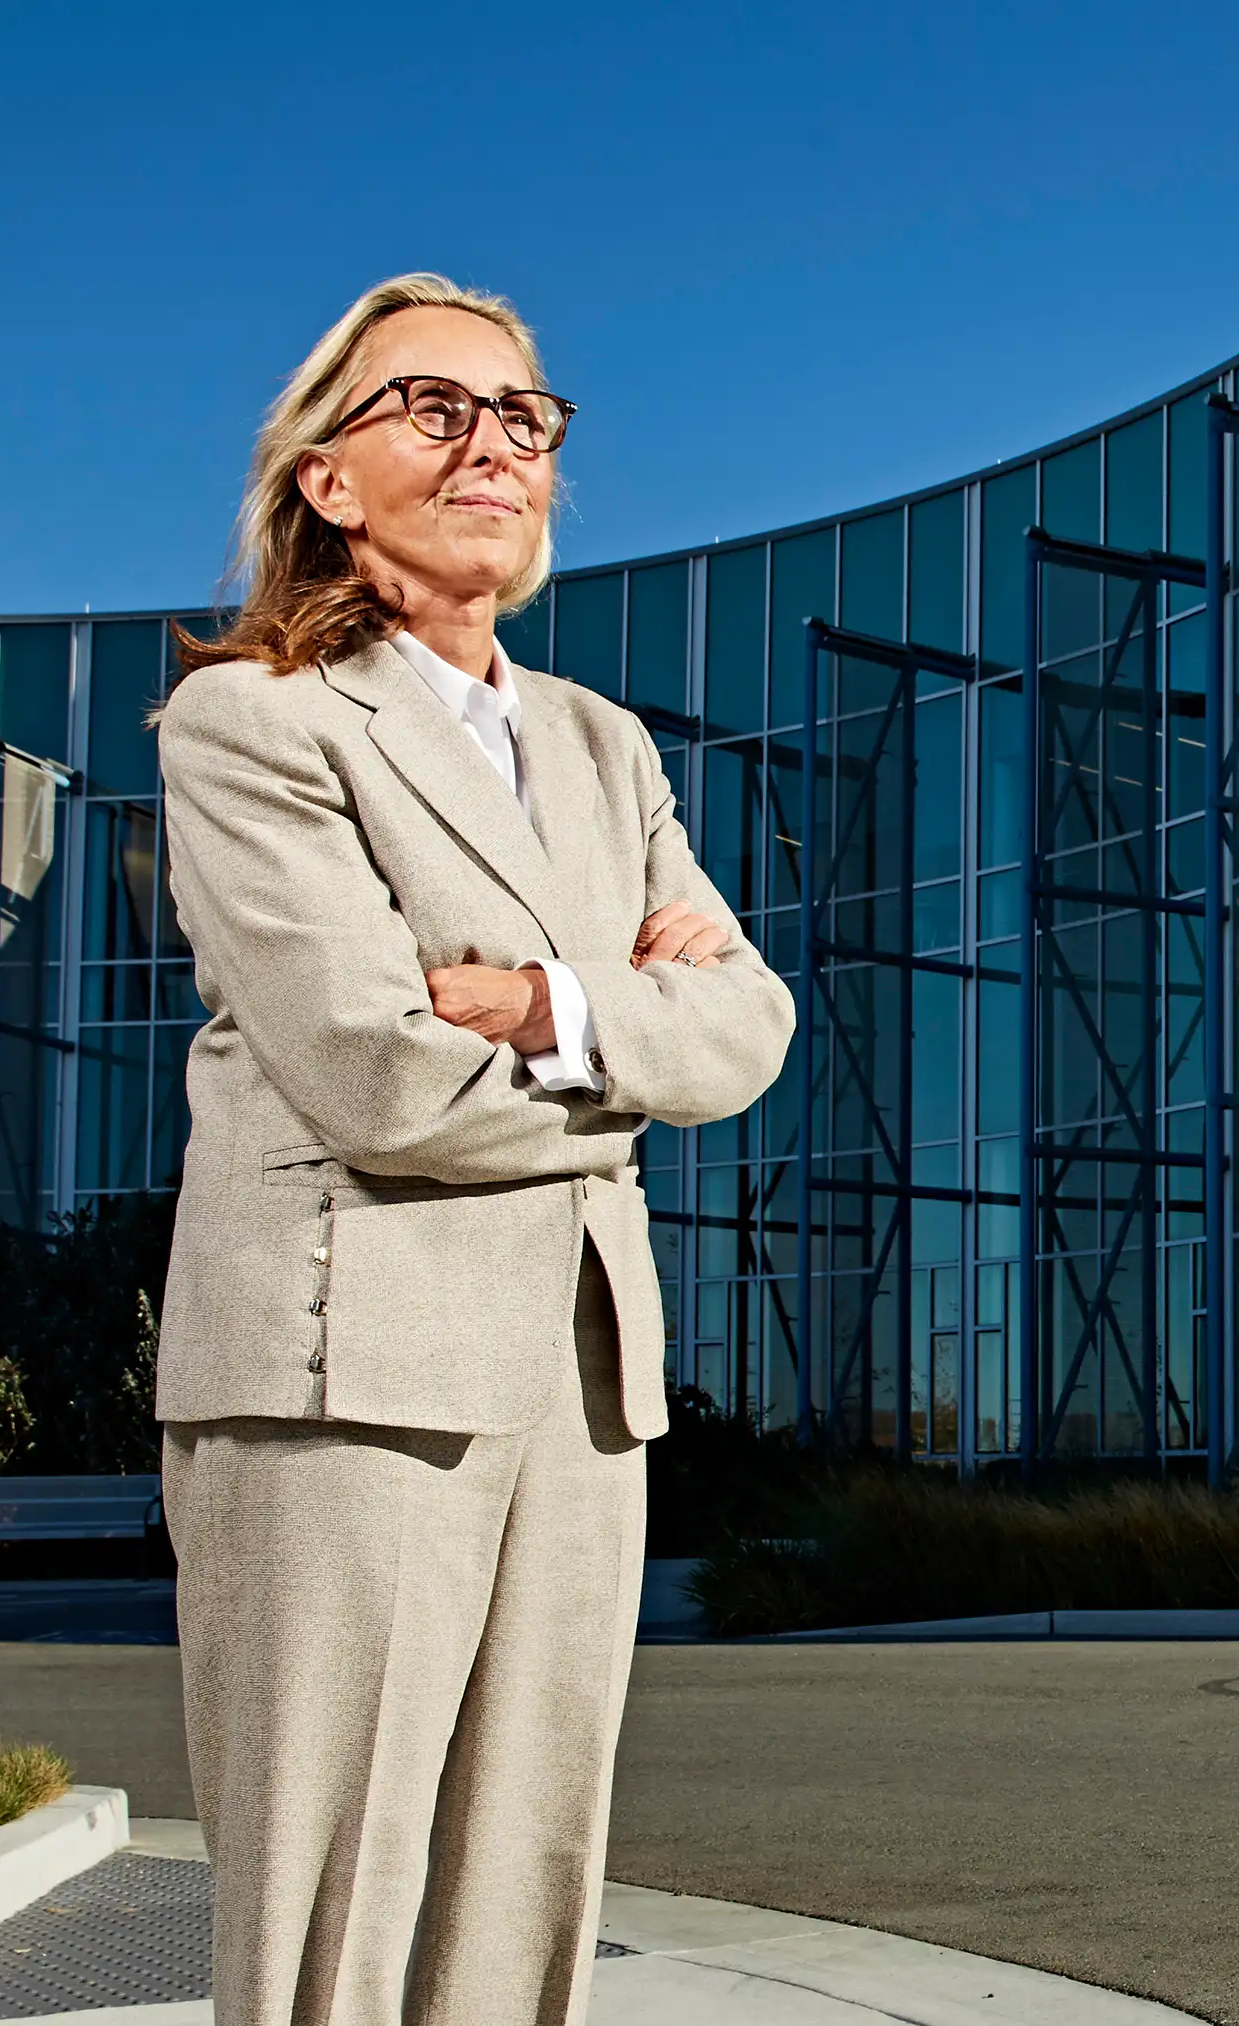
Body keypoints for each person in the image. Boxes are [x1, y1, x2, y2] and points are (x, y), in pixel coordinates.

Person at [145, 273, 794, 2025]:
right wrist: (625, 1042)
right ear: (329, 479)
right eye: (433, 406)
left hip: (582, 1382)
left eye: (521, 414)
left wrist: (540, 1001)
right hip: (344, 1376)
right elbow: (377, 1073)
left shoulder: (604, 744)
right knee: (325, 1925)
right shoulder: (251, 725)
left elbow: (753, 1027)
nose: (491, 442)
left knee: (523, 1901)